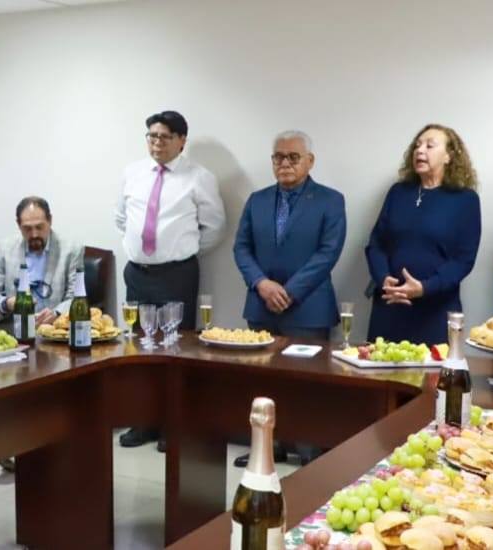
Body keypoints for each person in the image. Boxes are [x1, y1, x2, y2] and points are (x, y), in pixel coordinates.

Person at [232, 130, 346, 467]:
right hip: (261, 306)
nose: (285, 163)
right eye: (278, 157)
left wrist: (290, 291)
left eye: (293, 157)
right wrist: (261, 284)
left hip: (308, 309)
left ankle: (309, 451)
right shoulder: (257, 200)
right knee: (263, 382)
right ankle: (268, 447)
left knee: (306, 384)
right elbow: (241, 248)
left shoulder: (330, 200)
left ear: (310, 161)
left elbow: (328, 253)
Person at [114, 110, 225, 451]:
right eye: (152, 136)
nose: (157, 143)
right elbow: (121, 218)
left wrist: (179, 252)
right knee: (139, 348)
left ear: (181, 141)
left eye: (164, 137)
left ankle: (172, 425)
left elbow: (214, 226)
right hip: (138, 273)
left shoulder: (199, 177)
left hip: (177, 274)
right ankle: (143, 421)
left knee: (175, 348)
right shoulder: (132, 173)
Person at [366, 124, 481, 345]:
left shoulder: (465, 200)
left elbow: (463, 260)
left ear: (448, 156)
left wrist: (424, 288)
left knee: (433, 369)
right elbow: (376, 244)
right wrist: (383, 278)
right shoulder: (398, 193)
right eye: (417, 145)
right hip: (390, 306)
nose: (419, 150)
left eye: (430, 146)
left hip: (435, 312)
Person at [0, 196, 83, 329]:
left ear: (50, 221)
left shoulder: (71, 250)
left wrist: (57, 313)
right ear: (18, 225)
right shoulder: (5, 248)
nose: (34, 234)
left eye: (39, 227)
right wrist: (6, 303)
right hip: (11, 324)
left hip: (52, 327)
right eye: (27, 229)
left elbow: (76, 297)